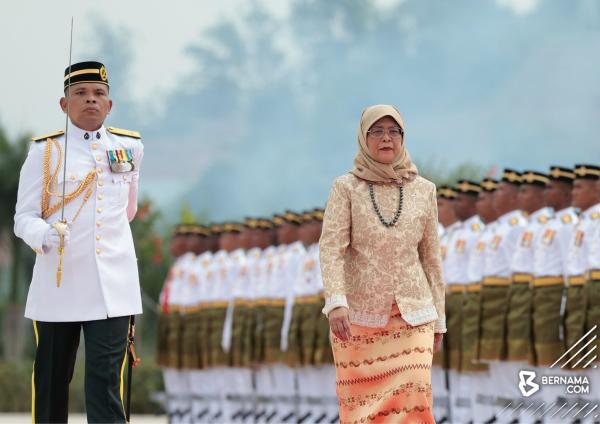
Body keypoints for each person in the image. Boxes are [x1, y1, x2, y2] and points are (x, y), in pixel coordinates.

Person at [14, 61, 143, 423]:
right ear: (64, 103)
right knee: (52, 379)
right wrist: (44, 234)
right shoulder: (45, 151)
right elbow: (23, 217)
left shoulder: (130, 147)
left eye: (99, 94)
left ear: (109, 104)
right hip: (61, 282)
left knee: (105, 382)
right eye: (81, 93)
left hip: (112, 285)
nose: (90, 100)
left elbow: (128, 211)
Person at [320, 104, 445, 423]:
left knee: (415, 392)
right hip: (358, 317)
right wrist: (335, 302)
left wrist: (440, 319)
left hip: (414, 312)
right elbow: (331, 248)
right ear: (364, 138)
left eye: (393, 131)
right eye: (377, 131)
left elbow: (431, 259)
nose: (386, 138)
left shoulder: (425, 190)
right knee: (363, 410)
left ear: (403, 137)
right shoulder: (345, 188)